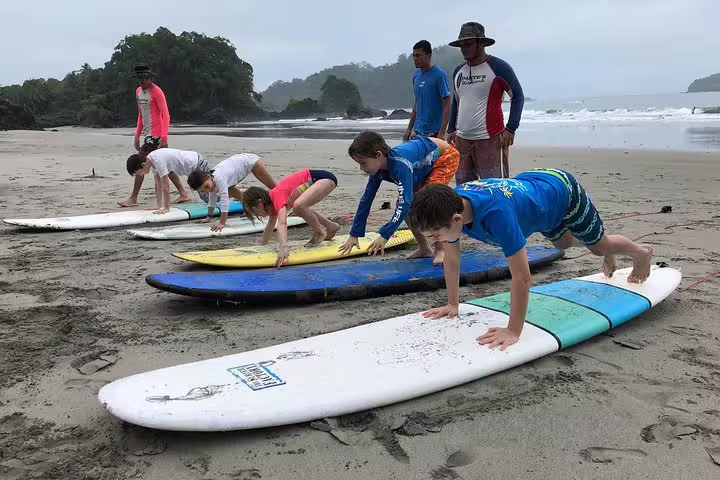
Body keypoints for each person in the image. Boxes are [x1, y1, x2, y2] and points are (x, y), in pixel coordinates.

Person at [406, 169, 654, 350]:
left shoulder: (497, 217)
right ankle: (598, 242)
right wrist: (453, 304)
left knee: (599, 246)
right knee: (563, 244)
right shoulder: (451, 205)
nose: (437, 241)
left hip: (563, 193)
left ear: (457, 220)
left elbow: (523, 278)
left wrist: (513, 330)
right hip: (537, 197)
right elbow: (452, 259)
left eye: (436, 235)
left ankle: (640, 252)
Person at [339, 131, 460, 265]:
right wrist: (354, 234)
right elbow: (366, 200)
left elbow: (405, 203)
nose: (361, 168)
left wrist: (385, 235)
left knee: (428, 204)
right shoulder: (378, 169)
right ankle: (425, 248)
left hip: (444, 156)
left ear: (378, 155)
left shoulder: (399, 164)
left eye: (363, 163)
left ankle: (441, 250)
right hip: (420, 165)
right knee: (410, 206)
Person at [447, 22, 524, 182]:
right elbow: (456, 101)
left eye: (468, 43)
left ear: (481, 43)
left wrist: (511, 128)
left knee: (497, 190)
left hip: (491, 139)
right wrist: (451, 128)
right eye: (461, 45)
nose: (464, 48)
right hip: (462, 141)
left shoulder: (499, 67)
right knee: (464, 190)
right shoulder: (458, 71)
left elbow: (517, 96)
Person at [242, 170, 340, 267]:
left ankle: (319, 232)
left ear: (260, 203)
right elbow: (270, 226)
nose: (258, 216)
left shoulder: (276, 196)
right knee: (299, 208)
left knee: (298, 206)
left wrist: (283, 248)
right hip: (318, 182)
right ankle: (331, 226)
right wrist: (262, 245)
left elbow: (282, 223)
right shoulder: (273, 204)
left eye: (255, 212)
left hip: (323, 179)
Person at [119, 65, 171, 207]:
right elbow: (141, 115)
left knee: (141, 163)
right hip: (146, 134)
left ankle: (133, 198)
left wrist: (164, 137)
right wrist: (137, 135)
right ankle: (183, 194)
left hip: (156, 135)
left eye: (145, 78)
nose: (143, 81)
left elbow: (165, 115)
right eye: (140, 79)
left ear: (150, 78)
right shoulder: (138, 92)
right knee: (164, 164)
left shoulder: (157, 92)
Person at [187, 154, 277, 232]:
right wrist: (209, 217)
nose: (207, 190)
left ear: (208, 177)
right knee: (230, 189)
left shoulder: (218, 178)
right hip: (239, 167)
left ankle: (289, 207)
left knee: (275, 188)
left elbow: (224, 202)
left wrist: (222, 223)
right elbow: (212, 199)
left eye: (206, 186)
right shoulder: (211, 181)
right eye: (203, 190)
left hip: (251, 162)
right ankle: (248, 207)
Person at [126, 148, 208, 214]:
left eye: (139, 172)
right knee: (202, 196)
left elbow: (165, 185)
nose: (140, 175)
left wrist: (166, 208)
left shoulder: (157, 160)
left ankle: (219, 203)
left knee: (205, 193)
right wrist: (158, 205)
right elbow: (158, 185)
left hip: (197, 163)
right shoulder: (152, 162)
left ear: (143, 165)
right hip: (192, 168)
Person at [403, 40, 452, 141]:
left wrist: (442, 132)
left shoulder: (440, 75)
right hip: (417, 132)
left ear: (429, 55)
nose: (415, 59)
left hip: (434, 133)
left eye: (418, 55)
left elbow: (447, 103)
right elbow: (417, 103)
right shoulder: (416, 76)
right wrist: (409, 129)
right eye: (414, 56)